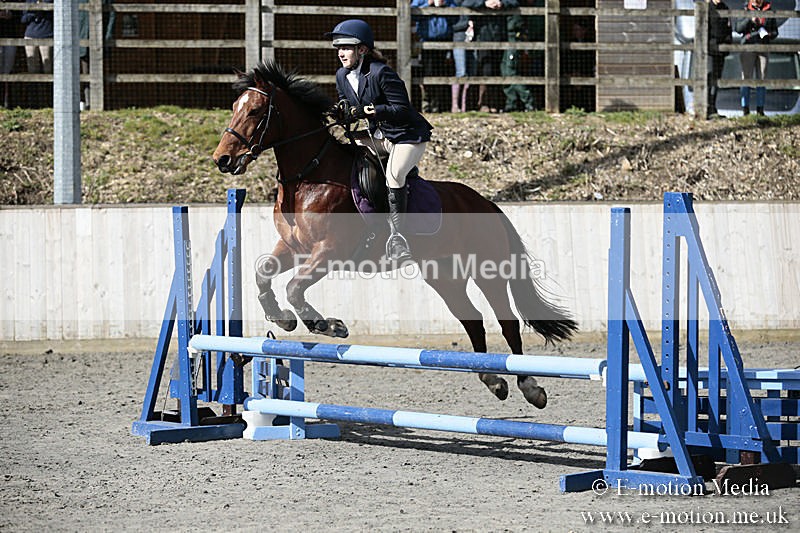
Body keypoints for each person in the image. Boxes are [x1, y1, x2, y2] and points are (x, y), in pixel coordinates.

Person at [327, 19, 433, 262]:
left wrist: (370, 111)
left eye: (346, 48)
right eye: (338, 48)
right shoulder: (342, 75)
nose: (341, 53)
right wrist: (341, 112)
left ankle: (399, 238)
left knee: (394, 175)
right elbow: (346, 102)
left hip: (407, 136)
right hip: (379, 136)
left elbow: (402, 109)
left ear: (362, 49)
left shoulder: (381, 72)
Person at [461, 0, 519, 113]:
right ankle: (484, 103)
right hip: (483, 35)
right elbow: (466, 3)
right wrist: (484, 3)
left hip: (501, 35)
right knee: (485, 70)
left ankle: (495, 103)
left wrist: (501, 3)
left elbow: (514, 2)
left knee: (498, 70)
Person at [411, 0, 456, 113]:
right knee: (427, 72)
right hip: (426, 42)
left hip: (444, 42)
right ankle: (426, 103)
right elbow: (412, 13)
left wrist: (445, 6)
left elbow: (456, 18)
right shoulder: (421, 1)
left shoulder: (449, 1)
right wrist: (428, 4)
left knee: (440, 72)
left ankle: (437, 104)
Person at [735, 0, 778, 116]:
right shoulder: (744, 9)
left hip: (763, 47)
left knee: (762, 77)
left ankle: (760, 109)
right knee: (746, 77)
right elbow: (738, 28)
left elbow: (775, 31)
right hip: (748, 47)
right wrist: (750, 20)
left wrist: (769, 34)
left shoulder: (769, 10)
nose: (757, 2)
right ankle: (745, 109)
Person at [501, 8, 535, 112]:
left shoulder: (512, 5)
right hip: (504, 38)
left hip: (512, 38)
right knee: (505, 71)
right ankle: (511, 103)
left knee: (511, 71)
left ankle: (528, 102)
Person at [707, 0, 732, 118]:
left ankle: (713, 106)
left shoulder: (725, 7)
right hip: (710, 49)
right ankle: (707, 106)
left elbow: (728, 27)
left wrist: (728, 42)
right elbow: (704, 29)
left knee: (717, 78)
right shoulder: (707, 7)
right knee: (709, 76)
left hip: (722, 49)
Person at [451, 1, 475, 112]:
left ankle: (465, 106)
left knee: (471, 72)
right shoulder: (454, 3)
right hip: (459, 38)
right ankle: (455, 105)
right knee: (461, 72)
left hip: (473, 39)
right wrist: (467, 24)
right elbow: (453, 24)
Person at [21, 0, 53, 74]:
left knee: (47, 64)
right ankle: (34, 85)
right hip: (30, 36)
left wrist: (43, 8)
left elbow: (52, 15)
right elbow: (23, 19)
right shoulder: (29, 1)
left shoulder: (49, 1)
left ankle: (47, 85)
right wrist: (35, 12)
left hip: (46, 35)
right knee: (32, 65)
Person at [0, 1, 16, 107]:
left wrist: (11, 15)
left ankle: (6, 103)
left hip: (10, 38)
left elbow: (21, 16)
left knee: (7, 72)